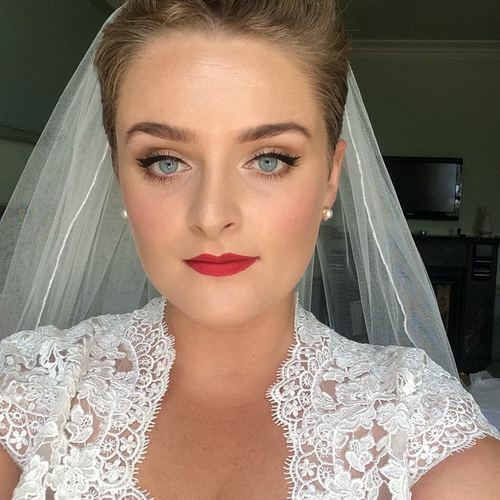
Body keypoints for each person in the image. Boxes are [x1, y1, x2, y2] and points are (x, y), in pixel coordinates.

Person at [1, 1, 499, 498]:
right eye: (165, 162)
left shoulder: (423, 434)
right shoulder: (26, 393)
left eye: (269, 160)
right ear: (119, 176)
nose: (211, 215)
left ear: (331, 177)